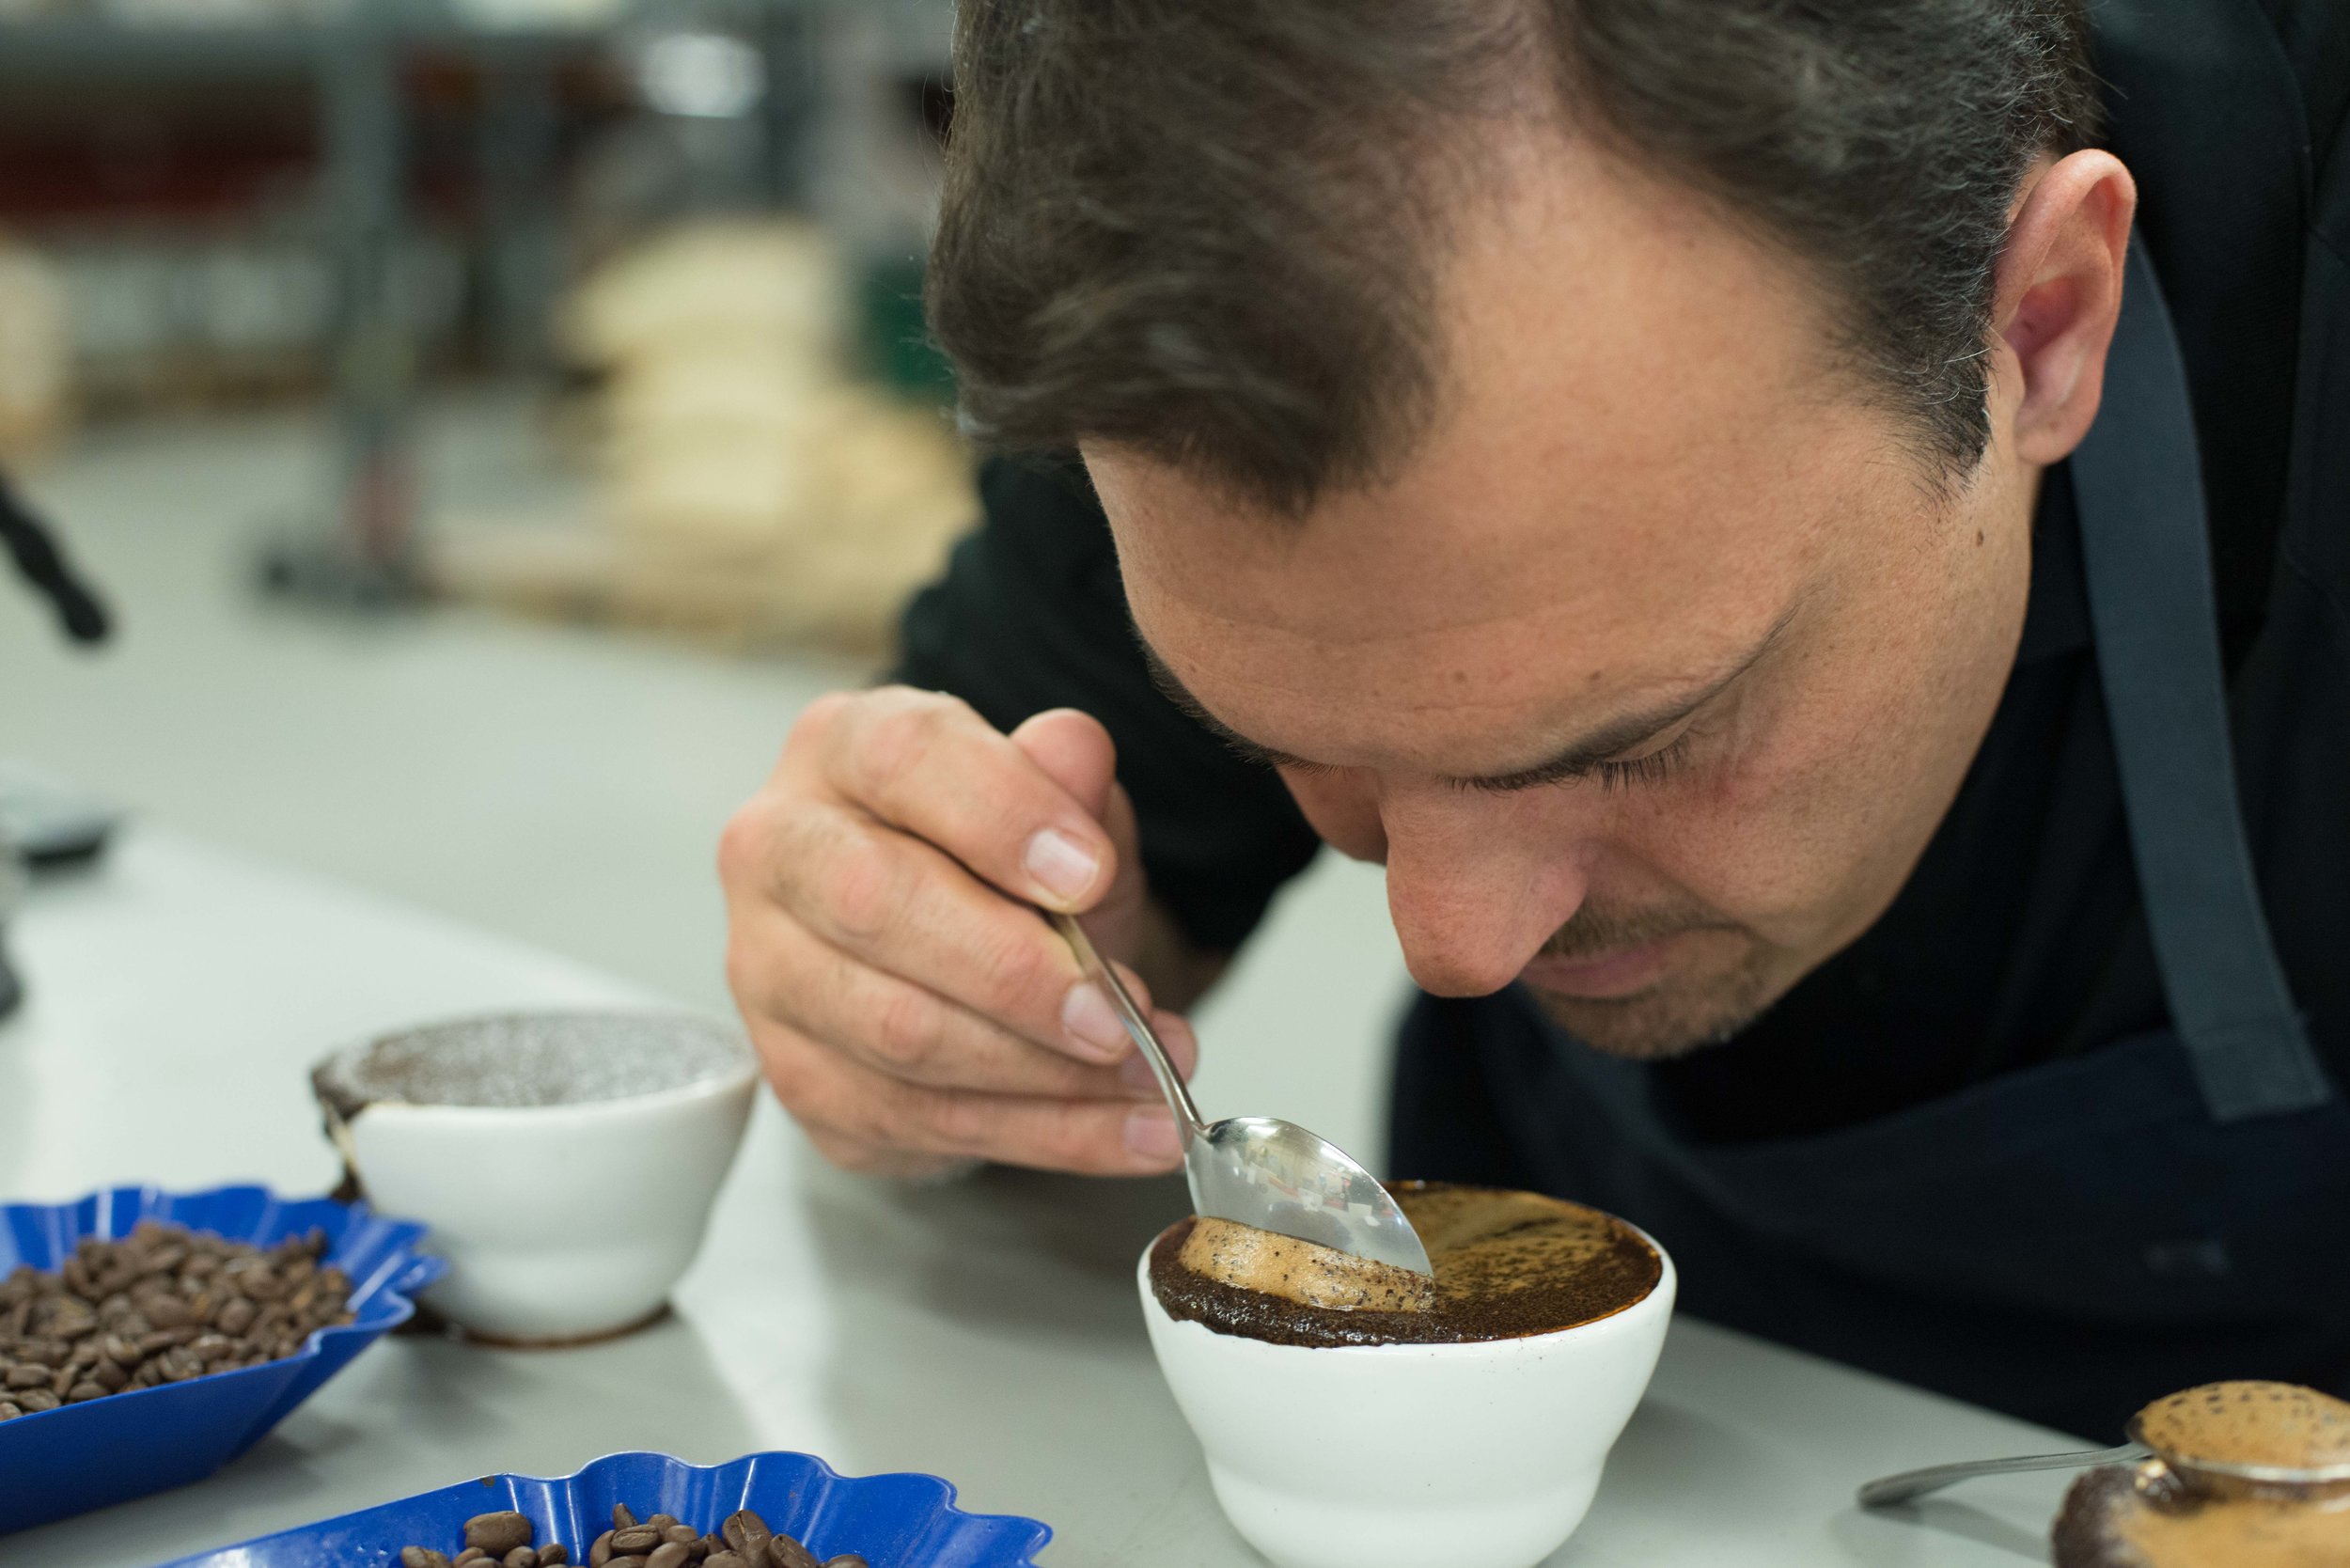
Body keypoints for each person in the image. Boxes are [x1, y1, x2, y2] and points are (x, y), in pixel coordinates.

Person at [720, 0, 2350, 1439]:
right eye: (1298, 745)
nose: (1456, 940)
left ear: (2042, 324)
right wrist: (947, 989)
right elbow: (997, 910)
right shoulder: (1188, 311)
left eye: (1630, 739)